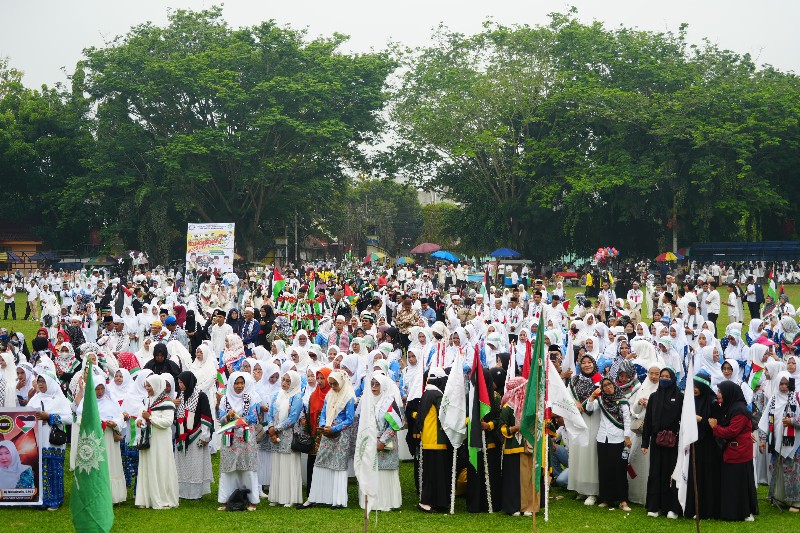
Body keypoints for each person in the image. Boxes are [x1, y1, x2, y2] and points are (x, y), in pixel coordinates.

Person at [298, 369, 356, 509]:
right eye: (331, 384)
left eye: (335, 384)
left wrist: (334, 428)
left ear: (341, 382)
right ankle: (316, 497)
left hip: (341, 435)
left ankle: (339, 500)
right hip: (327, 432)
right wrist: (323, 425)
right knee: (320, 462)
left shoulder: (349, 397)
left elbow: (349, 419)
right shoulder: (330, 395)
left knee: (338, 465)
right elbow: (324, 413)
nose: (333, 387)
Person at [73, 367, 127, 503]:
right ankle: (94, 495)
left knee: (109, 464)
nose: (100, 392)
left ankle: (112, 496)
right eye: (97, 389)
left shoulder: (111, 402)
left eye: (102, 389)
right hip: (93, 439)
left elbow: (120, 418)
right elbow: (79, 419)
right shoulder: (87, 404)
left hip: (108, 438)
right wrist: (93, 423)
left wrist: (113, 423)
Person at [711, 380, 759, 521]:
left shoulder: (739, 410)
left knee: (739, 483)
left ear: (728, 393)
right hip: (732, 451)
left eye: (720, 391)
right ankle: (731, 511)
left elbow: (731, 431)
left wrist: (715, 427)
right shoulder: (730, 407)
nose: (718, 394)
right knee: (731, 483)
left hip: (739, 452)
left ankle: (744, 512)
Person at [357, 372, 402, 511]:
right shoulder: (367, 401)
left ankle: (387, 502)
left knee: (384, 471)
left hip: (385, 442)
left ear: (383, 385)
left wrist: (382, 441)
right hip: (369, 441)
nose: (374, 387)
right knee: (370, 469)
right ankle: (371, 501)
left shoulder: (389, 401)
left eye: (377, 384)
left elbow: (395, 424)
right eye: (372, 384)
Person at [641, 367, 682, 518]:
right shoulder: (654, 397)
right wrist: (645, 443)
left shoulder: (680, 396)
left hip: (673, 442)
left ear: (673, 379)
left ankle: (672, 508)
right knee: (655, 472)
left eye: (667, 376)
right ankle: (654, 506)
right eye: (662, 376)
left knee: (671, 473)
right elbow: (648, 420)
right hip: (657, 441)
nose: (664, 379)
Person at [134, 373, 179, 509]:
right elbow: (140, 416)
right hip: (149, 440)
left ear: (157, 386)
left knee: (160, 466)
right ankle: (147, 497)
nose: (147, 388)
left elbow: (167, 422)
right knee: (148, 466)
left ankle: (162, 497)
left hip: (161, 442)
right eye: (146, 385)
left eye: (149, 386)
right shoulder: (147, 400)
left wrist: (151, 417)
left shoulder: (167, 402)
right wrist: (139, 421)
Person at [587, 377, 632, 511]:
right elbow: (589, 409)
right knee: (605, 470)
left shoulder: (622, 400)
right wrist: (592, 396)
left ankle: (623, 500)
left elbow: (627, 420)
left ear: (614, 385)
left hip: (618, 439)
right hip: (602, 439)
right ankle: (607, 499)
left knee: (619, 470)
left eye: (609, 384)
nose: (607, 387)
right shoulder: (601, 400)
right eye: (604, 385)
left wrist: (627, 437)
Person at [217, 372, 260, 511]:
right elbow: (221, 419)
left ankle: (251, 500)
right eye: (236, 383)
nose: (239, 386)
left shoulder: (250, 398)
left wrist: (239, 420)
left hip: (246, 438)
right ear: (231, 384)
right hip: (230, 439)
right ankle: (226, 499)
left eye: (242, 383)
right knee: (229, 468)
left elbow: (254, 417)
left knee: (247, 468)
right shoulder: (225, 399)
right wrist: (228, 417)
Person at [758, 371, 800, 512]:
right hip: (776, 441)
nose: (783, 387)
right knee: (778, 471)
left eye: (786, 384)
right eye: (781, 384)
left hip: (794, 444)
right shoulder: (774, 399)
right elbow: (765, 421)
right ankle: (779, 498)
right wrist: (763, 440)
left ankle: (796, 503)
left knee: (793, 472)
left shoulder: (797, 397)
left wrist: (792, 421)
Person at [30, 372, 72, 509]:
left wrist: (49, 417)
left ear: (51, 383)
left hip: (53, 441)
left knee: (54, 470)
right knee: (39, 470)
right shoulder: (35, 399)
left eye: (43, 381)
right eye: (39, 381)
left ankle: (54, 500)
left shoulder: (60, 399)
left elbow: (69, 419)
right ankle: (40, 500)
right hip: (37, 441)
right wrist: (35, 420)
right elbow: (25, 415)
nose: (41, 384)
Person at [683, 370, 722, 519]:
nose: (694, 389)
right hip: (694, 443)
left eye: (697, 386)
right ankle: (694, 508)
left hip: (709, 446)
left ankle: (707, 509)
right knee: (695, 474)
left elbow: (716, 424)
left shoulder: (712, 402)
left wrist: (701, 420)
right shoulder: (691, 401)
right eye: (692, 385)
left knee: (707, 476)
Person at [414, 366, 452, 513]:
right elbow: (445, 415)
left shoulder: (426, 393)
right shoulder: (437, 395)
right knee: (436, 473)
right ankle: (430, 502)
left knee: (431, 473)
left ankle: (432, 502)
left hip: (428, 439)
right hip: (437, 439)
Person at [267, 370, 304, 507]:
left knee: (289, 464)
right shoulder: (277, 395)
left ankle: (290, 497)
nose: (284, 383)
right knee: (278, 463)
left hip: (288, 435)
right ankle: (276, 497)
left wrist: (275, 429)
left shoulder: (297, 397)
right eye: (283, 380)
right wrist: (271, 428)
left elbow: (293, 418)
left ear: (294, 383)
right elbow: (270, 414)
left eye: (288, 381)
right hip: (275, 435)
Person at [175, 371, 213, 500]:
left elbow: (205, 416)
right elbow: (177, 417)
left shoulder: (201, 396)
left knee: (196, 464)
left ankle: (196, 492)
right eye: (179, 382)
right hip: (182, 436)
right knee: (183, 464)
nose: (180, 385)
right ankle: (182, 492)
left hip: (196, 434)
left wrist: (204, 435)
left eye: (182, 382)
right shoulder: (179, 397)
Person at [568, 354, 601, 505]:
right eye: (584, 363)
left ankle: (593, 491)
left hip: (593, 419)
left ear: (594, 364)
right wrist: (575, 402)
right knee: (579, 451)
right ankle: (581, 488)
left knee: (590, 453)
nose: (587, 365)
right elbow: (567, 396)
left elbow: (602, 397)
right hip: (578, 419)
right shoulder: (574, 379)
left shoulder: (600, 379)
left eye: (589, 362)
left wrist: (587, 402)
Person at [499, 376, 534, 516]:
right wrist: (517, 428)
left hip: (527, 448)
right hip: (512, 449)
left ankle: (526, 507)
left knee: (526, 479)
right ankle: (513, 507)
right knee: (513, 480)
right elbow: (502, 429)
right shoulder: (507, 408)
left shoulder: (528, 408)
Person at [306, 366, 332, 493]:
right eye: (318, 378)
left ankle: (325, 491)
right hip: (315, 434)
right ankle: (312, 491)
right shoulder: (313, 395)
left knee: (326, 462)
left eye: (323, 378)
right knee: (313, 462)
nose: (320, 381)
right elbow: (309, 414)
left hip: (328, 433)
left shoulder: (332, 395)